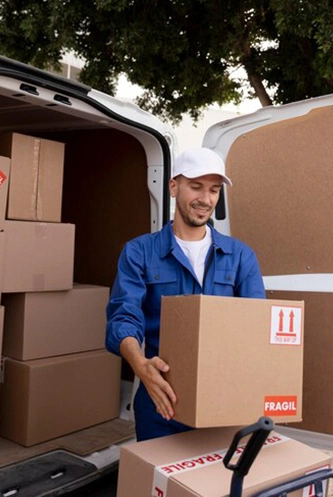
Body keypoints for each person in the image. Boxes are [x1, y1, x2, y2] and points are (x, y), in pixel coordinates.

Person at [105, 147, 266, 441]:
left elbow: (256, 325)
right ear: (173, 187)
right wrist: (141, 366)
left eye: (214, 190)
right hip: (161, 402)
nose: (206, 199)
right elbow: (123, 316)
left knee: (218, 472)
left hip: (224, 401)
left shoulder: (241, 256)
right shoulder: (139, 252)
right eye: (196, 187)